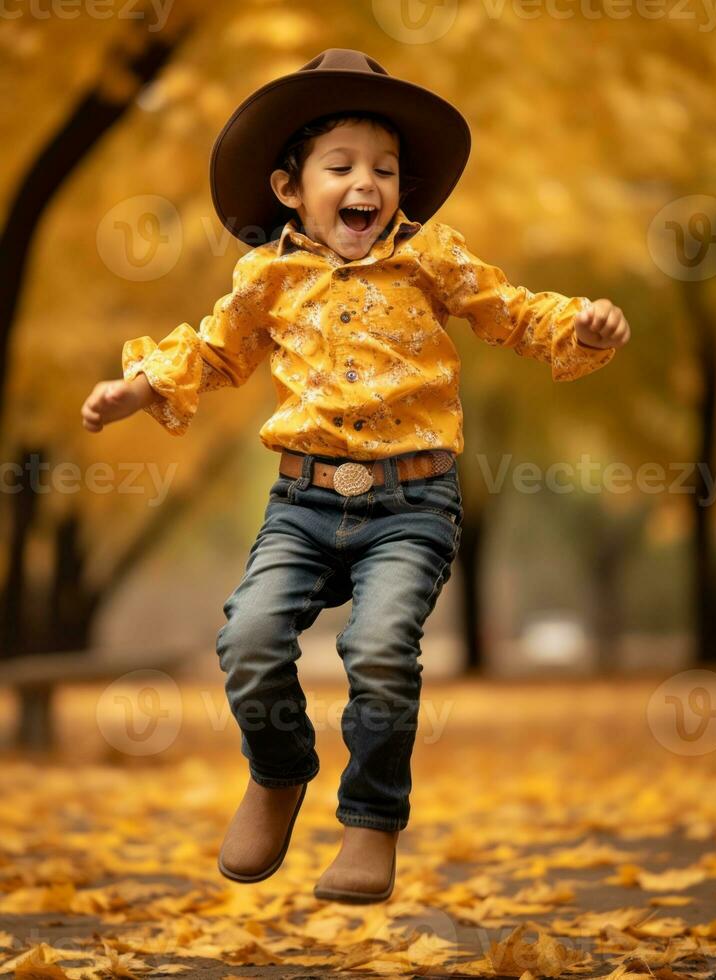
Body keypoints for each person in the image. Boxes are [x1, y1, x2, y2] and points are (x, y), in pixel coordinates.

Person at [80, 48, 631, 905]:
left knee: (379, 650)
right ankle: (279, 771)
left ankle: (371, 823)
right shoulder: (268, 278)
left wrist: (583, 330)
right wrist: (138, 386)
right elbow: (212, 349)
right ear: (290, 188)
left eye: (384, 169)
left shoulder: (431, 258)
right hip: (302, 501)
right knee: (249, 640)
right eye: (340, 166)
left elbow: (510, 308)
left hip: (411, 501)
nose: (365, 183)